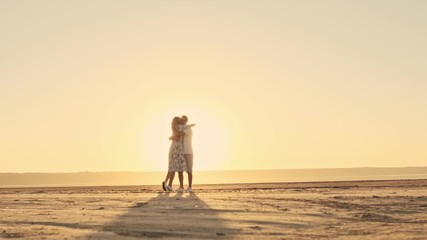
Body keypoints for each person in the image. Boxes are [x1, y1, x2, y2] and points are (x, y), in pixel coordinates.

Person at [162, 116, 186, 192]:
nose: (181, 122)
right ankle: (170, 185)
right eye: (179, 120)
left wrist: (172, 137)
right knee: (177, 167)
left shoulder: (174, 127)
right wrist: (180, 133)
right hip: (177, 147)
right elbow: (179, 136)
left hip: (173, 147)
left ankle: (168, 183)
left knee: (173, 166)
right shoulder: (178, 127)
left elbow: (176, 136)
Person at [179, 115, 195, 193]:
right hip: (182, 152)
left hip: (188, 152)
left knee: (189, 171)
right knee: (180, 170)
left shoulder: (188, 129)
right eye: (181, 120)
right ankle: (181, 186)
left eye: (183, 120)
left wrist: (188, 125)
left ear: (186, 121)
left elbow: (181, 133)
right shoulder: (185, 127)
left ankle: (190, 187)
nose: (182, 121)